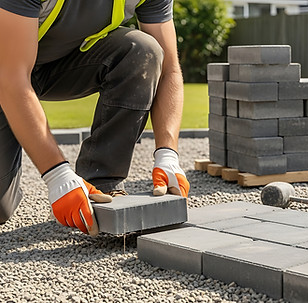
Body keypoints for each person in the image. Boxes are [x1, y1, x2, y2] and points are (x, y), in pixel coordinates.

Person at [0, 0, 190, 236]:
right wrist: (57, 174)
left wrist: (167, 154)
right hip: (6, 69)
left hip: (56, 65)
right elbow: (11, 78)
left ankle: (101, 188)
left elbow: (170, 68)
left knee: (142, 51)